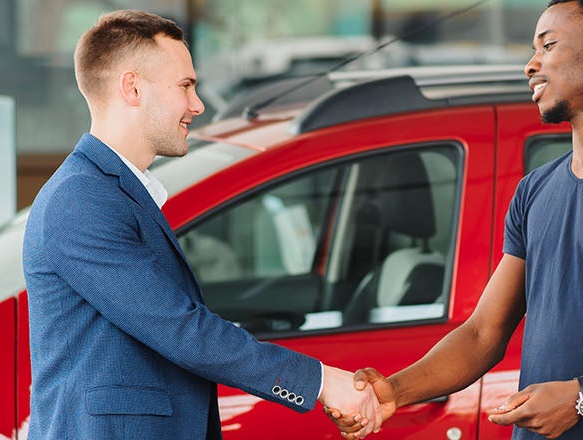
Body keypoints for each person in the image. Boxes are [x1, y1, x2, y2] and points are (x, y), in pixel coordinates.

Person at [338, 1, 583, 439]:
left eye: (548, 45)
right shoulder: (534, 191)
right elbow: (481, 335)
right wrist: (394, 390)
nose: (531, 65)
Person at [22, 10, 379, 440]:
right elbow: (180, 328)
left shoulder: (111, 192)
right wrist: (320, 382)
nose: (198, 104)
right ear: (132, 88)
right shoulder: (81, 199)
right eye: (186, 86)